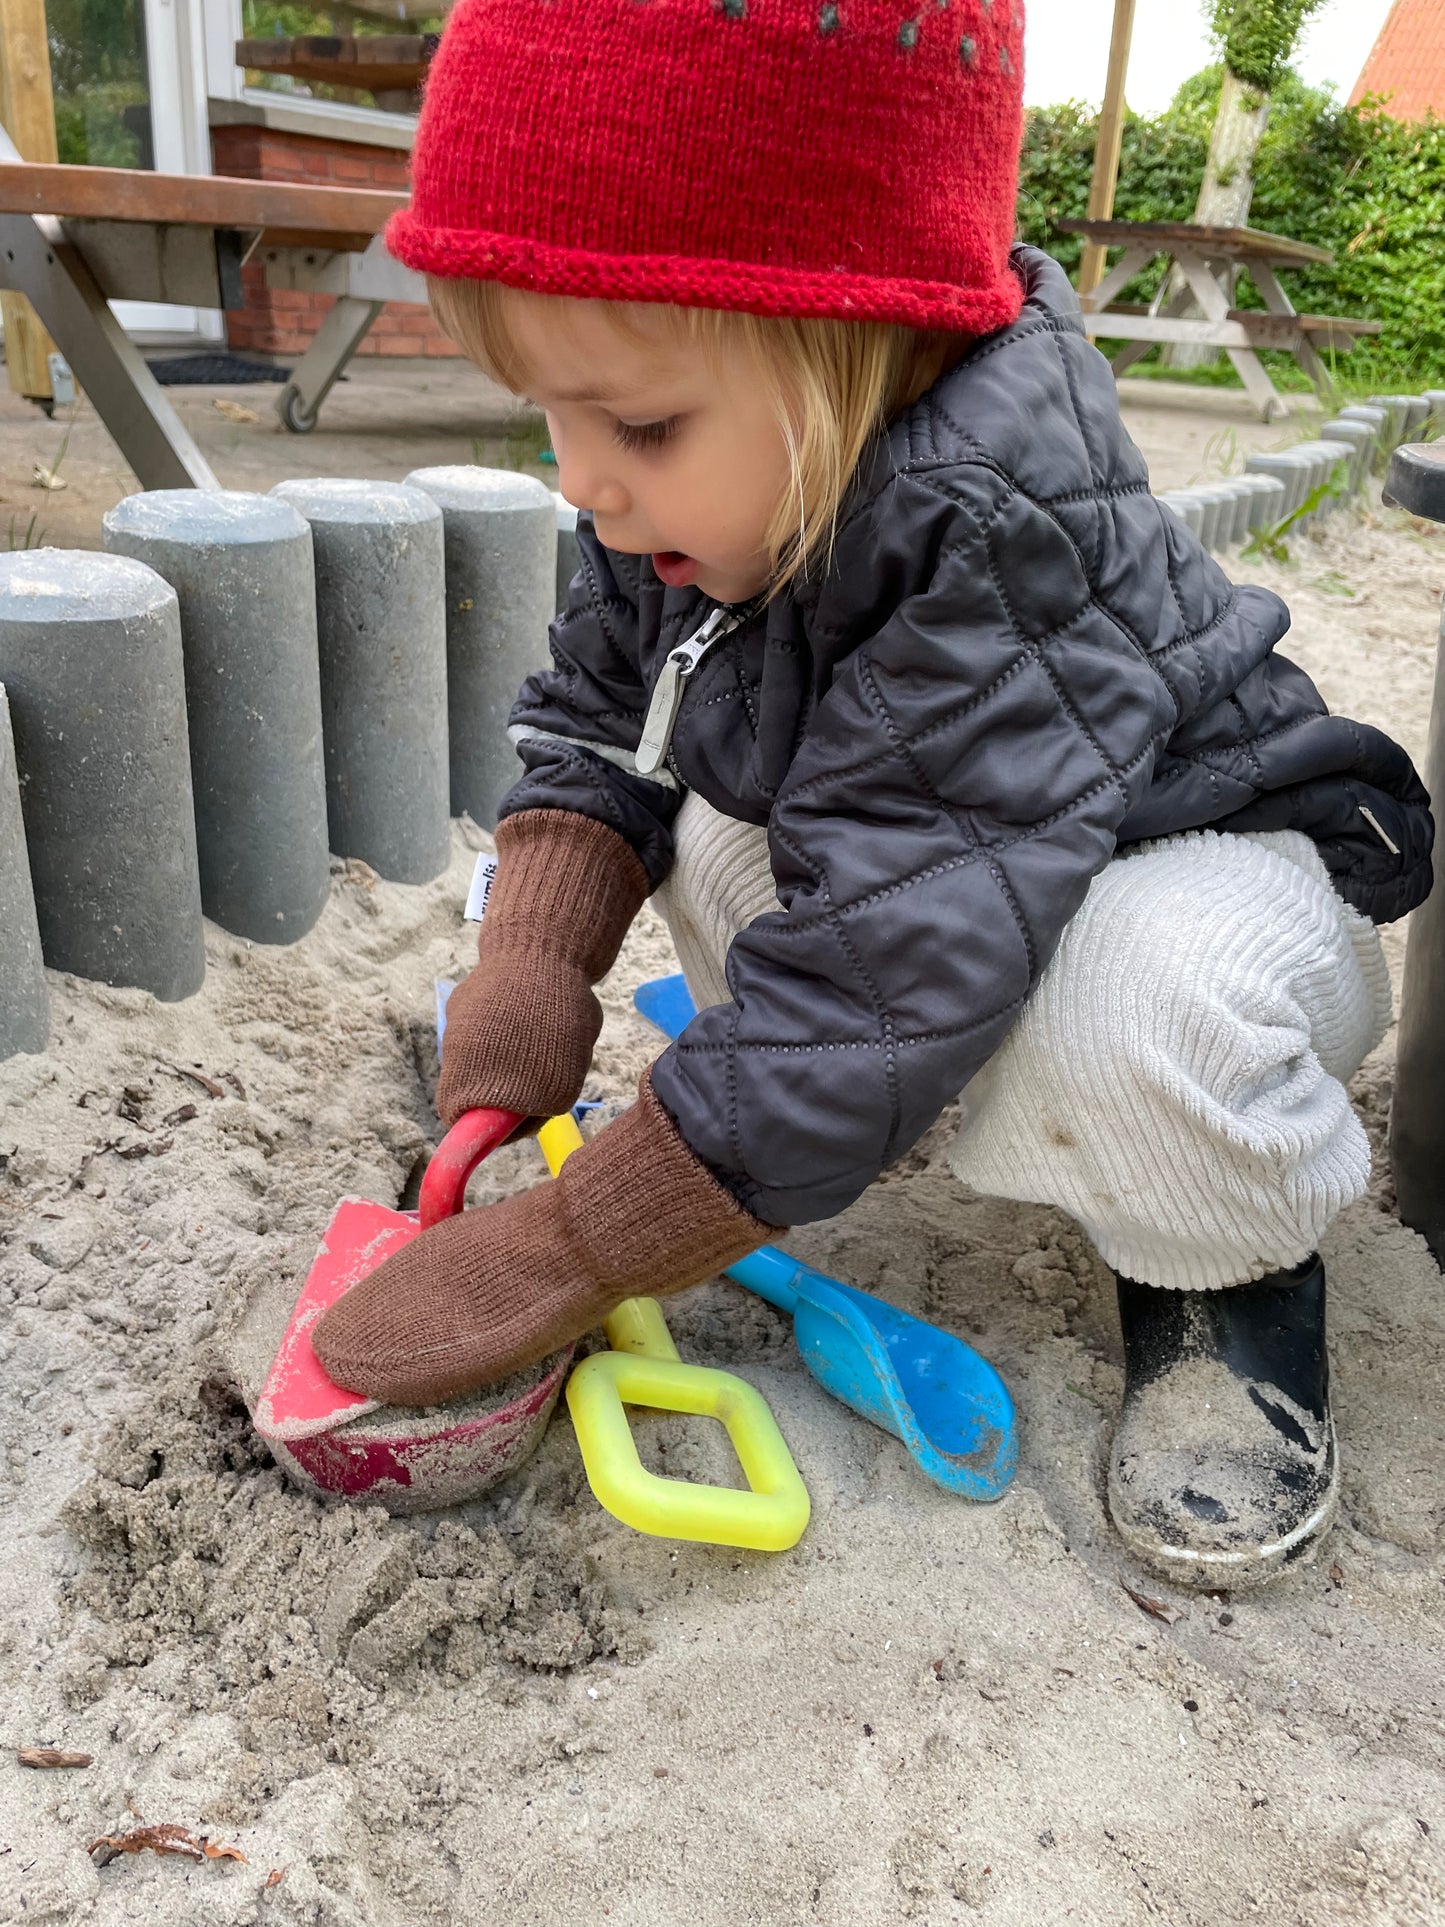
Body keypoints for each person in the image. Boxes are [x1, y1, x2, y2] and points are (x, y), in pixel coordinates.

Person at [313, 0, 1432, 1591]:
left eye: (632, 421)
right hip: (951, 883)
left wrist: (569, 1247)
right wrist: (528, 967)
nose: (583, 479)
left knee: (1126, 1010)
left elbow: (876, 974)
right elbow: (603, 731)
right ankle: (879, 1116)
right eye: (545, 413)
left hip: (1215, 890)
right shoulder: (705, 493)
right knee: (708, 839)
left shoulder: (985, 525)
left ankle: (1223, 1279)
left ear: (864, 347)